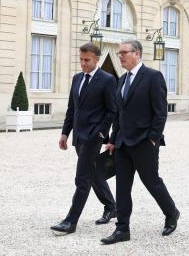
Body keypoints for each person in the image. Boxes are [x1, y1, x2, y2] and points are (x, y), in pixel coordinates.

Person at [101, 40, 179, 245]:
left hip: (144, 142)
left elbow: (161, 112)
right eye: (119, 53)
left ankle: (171, 213)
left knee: (152, 183)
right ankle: (122, 229)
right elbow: (119, 114)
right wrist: (112, 139)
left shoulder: (153, 77)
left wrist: (153, 138)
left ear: (137, 54)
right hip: (122, 144)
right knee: (122, 187)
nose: (120, 56)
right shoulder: (121, 80)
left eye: (124, 52)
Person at [50, 43, 118, 235]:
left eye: (87, 60)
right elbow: (72, 109)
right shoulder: (77, 78)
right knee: (94, 173)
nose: (83, 63)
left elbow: (112, 110)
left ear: (96, 59)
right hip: (78, 136)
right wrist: (65, 133)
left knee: (82, 178)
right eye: (81, 59)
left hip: (94, 137)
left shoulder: (107, 80)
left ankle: (70, 221)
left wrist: (101, 133)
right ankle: (112, 207)